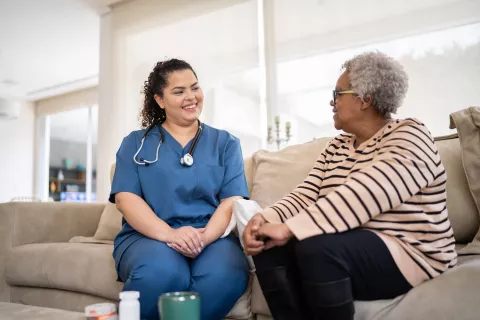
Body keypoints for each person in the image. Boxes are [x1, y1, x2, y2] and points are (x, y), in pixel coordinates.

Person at [243, 51, 457, 320]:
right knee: (268, 243)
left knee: (318, 248)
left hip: (409, 251)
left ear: (364, 99)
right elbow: (306, 194)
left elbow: (367, 192)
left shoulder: (410, 135)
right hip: (349, 245)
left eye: (337, 94)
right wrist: (264, 218)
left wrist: (290, 228)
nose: (331, 102)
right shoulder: (336, 147)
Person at [110, 58, 249, 320]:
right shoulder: (135, 143)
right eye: (179, 91)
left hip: (211, 236)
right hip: (148, 236)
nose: (191, 97)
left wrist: (203, 238)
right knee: (162, 272)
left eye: (195, 88)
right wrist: (170, 235)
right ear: (160, 100)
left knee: (225, 274)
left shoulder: (225, 143)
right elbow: (126, 199)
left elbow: (231, 201)